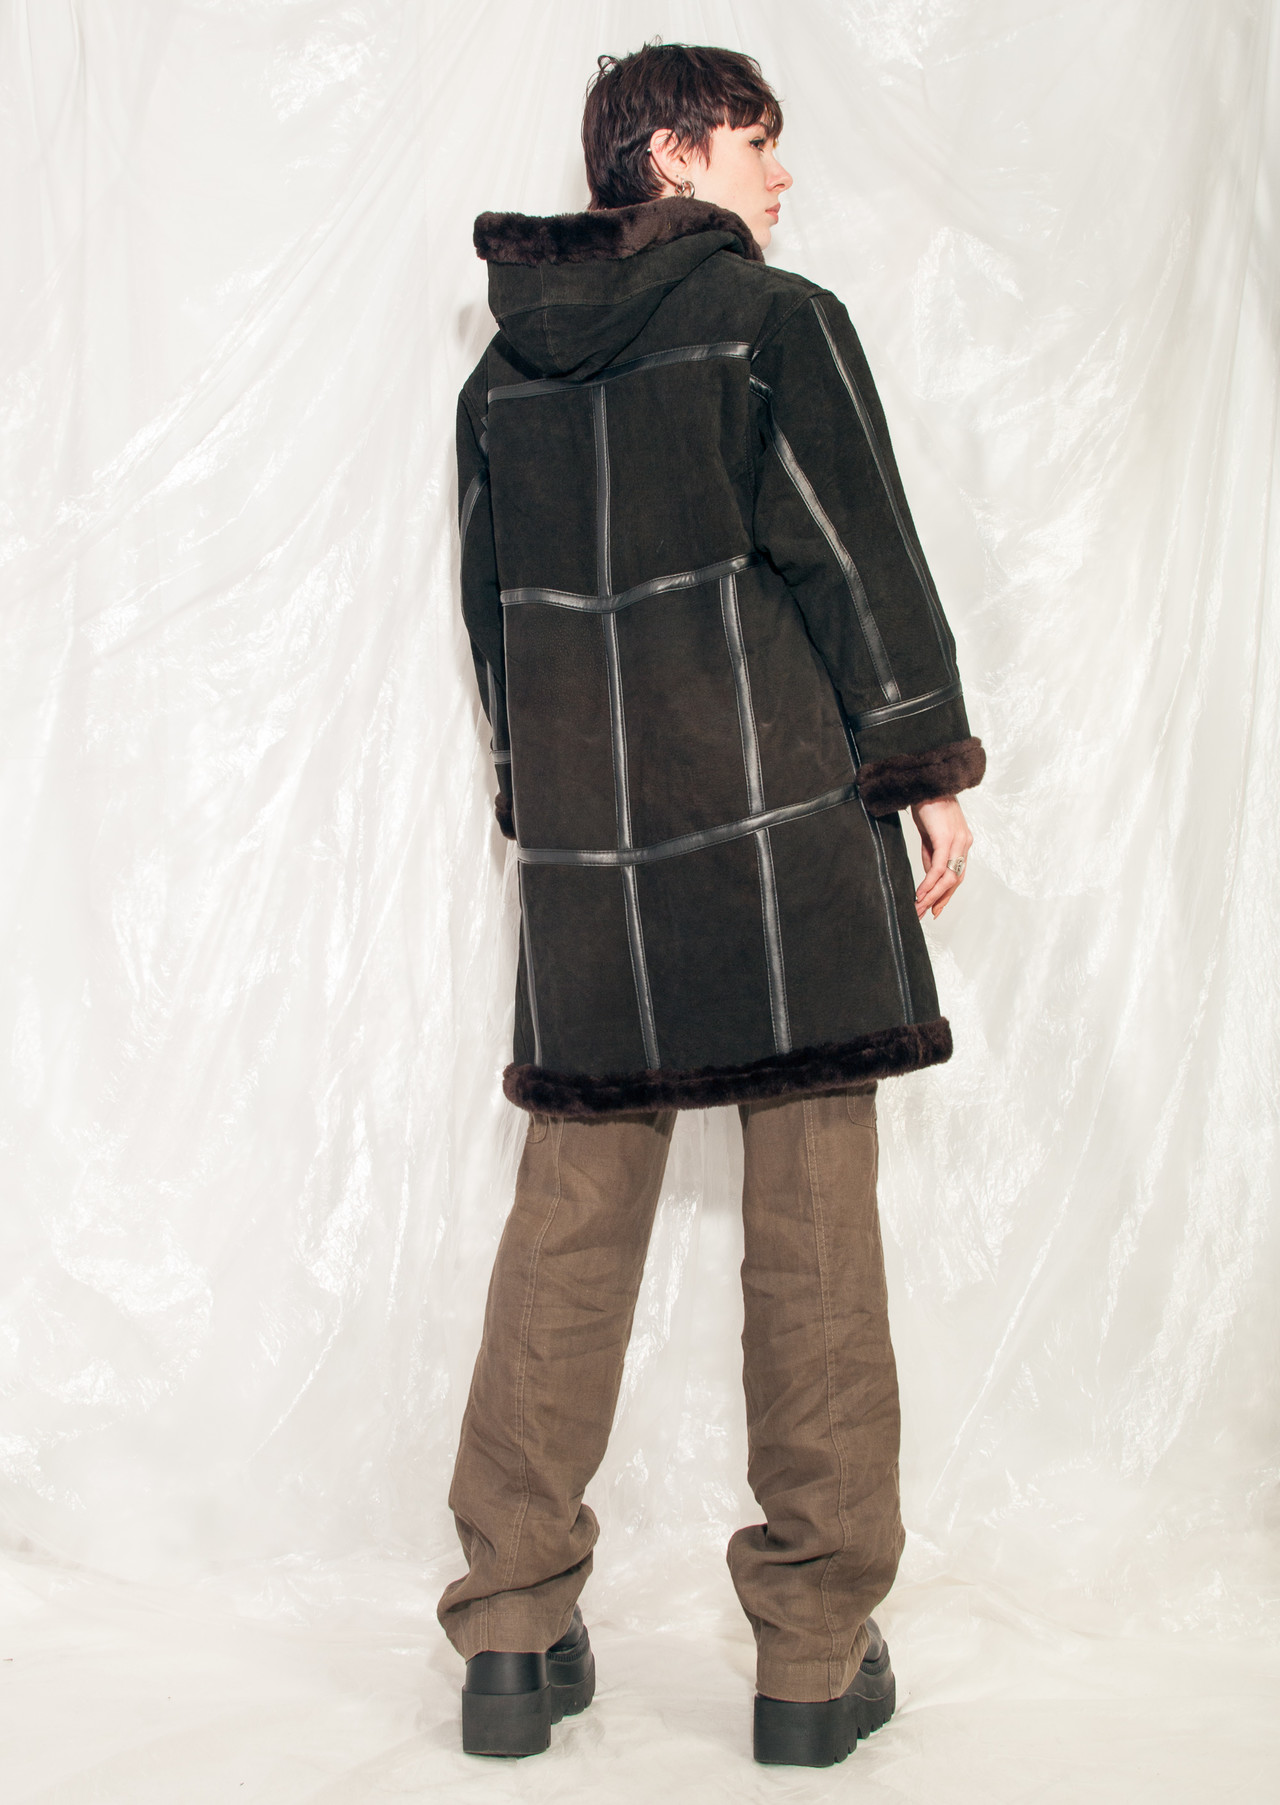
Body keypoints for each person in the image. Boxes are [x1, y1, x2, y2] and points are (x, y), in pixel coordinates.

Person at [439, 41, 984, 1768]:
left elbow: (499, 633)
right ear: (674, 154)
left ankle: (510, 1630)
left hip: (598, 862)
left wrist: (543, 815)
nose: (782, 173)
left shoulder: (501, 381)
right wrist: (923, 756)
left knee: (570, 1220)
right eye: (759, 139)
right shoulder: (775, 324)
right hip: (780, 836)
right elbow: (854, 554)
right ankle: (810, 1658)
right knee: (812, 1224)